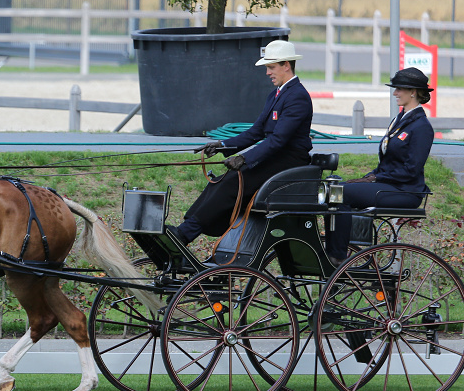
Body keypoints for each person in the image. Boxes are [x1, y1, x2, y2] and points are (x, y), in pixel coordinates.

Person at [172, 40, 313, 244]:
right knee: (220, 180)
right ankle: (187, 226)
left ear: (286, 65)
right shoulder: (275, 94)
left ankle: (186, 233)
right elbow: (255, 132)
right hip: (276, 156)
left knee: (234, 180)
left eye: (271, 67)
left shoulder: (298, 96)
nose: (267, 72)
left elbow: (278, 140)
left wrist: (244, 159)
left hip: (289, 161)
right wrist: (222, 145)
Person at [325, 67, 435, 267]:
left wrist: (378, 178)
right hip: (391, 185)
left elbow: (411, 170)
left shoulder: (421, 127)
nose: (395, 93)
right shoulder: (398, 121)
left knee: (341, 194)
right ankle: (334, 249)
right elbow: (386, 163)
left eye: (399, 89)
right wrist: (371, 175)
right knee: (333, 189)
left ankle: (338, 255)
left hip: (406, 191)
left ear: (413, 92)